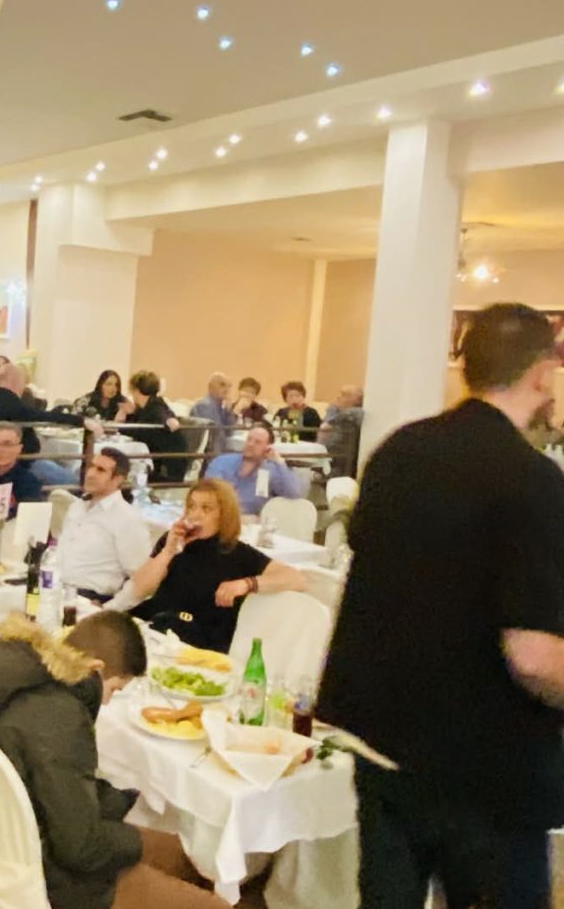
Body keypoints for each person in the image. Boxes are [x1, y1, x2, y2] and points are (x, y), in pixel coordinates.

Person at [318, 303, 564, 909]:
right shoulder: (531, 480)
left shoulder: (399, 451)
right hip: (482, 770)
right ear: (542, 374)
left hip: (382, 744)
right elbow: (533, 657)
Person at [0, 612, 231, 909]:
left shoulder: (16, 678)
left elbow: (60, 787)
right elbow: (81, 848)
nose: (107, 701)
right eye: (114, 689)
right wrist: (133, 838)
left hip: (12, 840)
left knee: (181, 854)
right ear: (96, 668)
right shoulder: (62, 718)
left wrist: (119, 802)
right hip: (53, 876)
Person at [130, 478, 306, 652]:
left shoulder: (238, 553)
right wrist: (168, 551)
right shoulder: (174, 541)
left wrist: (247, 584)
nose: (196, 514)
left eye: (206, 508)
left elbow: (297, 579)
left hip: (199, 642)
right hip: (156, 627)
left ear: (224, 515)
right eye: (191, 506)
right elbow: (139, 588)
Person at [57, 449, 150, 607]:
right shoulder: (77, 507)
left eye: (101, 470)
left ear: (117, 480)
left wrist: (110, 608)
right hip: (56, 590)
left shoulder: (127, 518)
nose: (91, 474)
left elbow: (142, 577)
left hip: (91, 600)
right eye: (91, 467)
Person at [0, 363, 91, 486]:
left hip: (16, 460)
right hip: (23, 462)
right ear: (15, 381)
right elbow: (42, 416)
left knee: (61, 465)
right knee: (76, 482)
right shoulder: (10, 403)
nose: (23, 387)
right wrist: (80, 420)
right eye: (23, 383)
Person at [204, 422, 305, 516]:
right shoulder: (222, 462)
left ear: (267, 448)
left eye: (257, 442)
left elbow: (294, 493)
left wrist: (279, 461)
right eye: (249, 439)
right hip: (220, 517)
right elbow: (210, 493)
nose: (251, 444)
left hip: (252, 522)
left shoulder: (270, 470)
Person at [117, 371, 187, 483]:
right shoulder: (143, 409)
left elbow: (163, 415)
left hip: (168, 467)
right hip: (158, 460)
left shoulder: (155, 405)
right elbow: (125, 429)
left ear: (136, 390)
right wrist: (126, 412)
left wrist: (168, 420)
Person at [191, 373, 238, 455]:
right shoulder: (204, 405)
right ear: (211, 387)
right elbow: (215, 435)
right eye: (222, 385)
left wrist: (229, 411)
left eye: (229, 386)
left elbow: (230, 432)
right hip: (208, 453)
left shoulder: (221, 407)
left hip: (220, 450)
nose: (226, 389)